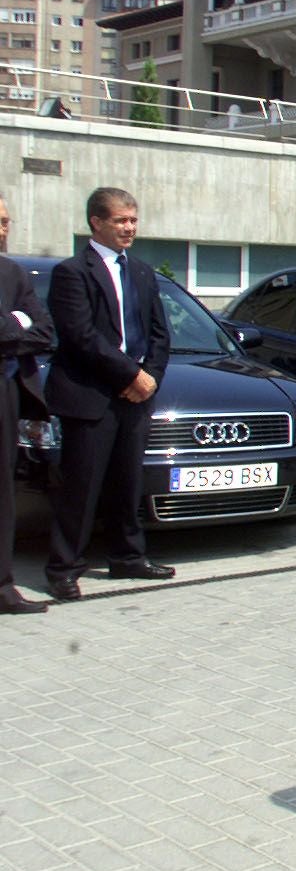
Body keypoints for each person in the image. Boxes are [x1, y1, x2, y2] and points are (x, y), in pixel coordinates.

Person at [43, 188, 175, 601]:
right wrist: (130, 375)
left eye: (133, 220)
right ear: (96, 223)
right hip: (90, 394)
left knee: (127, 482)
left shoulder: (140, 271)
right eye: (121, 221)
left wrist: (149, 377)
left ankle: (127, 557)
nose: (130, 228)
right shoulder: (72, 273)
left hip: (135, 398)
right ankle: (63, 568)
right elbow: (81, 337)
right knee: (81, 487)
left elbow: (158, 333)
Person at [0, 198, 54, 615]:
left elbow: (45, 331)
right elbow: (20, 327)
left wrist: (14, 324)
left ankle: (3, 587)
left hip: (5, 391)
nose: (4, 228)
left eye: (6, 220)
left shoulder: (12, 272)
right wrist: (15, 322)